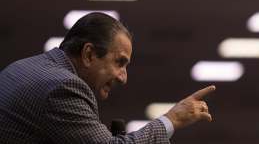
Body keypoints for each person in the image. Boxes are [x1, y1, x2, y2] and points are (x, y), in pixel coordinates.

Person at [0, 12, 215, 143]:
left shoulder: (20, 68)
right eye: (119, 62)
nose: (123, 78)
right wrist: (173, 119)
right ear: (89, 54)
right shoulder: (63, 86)